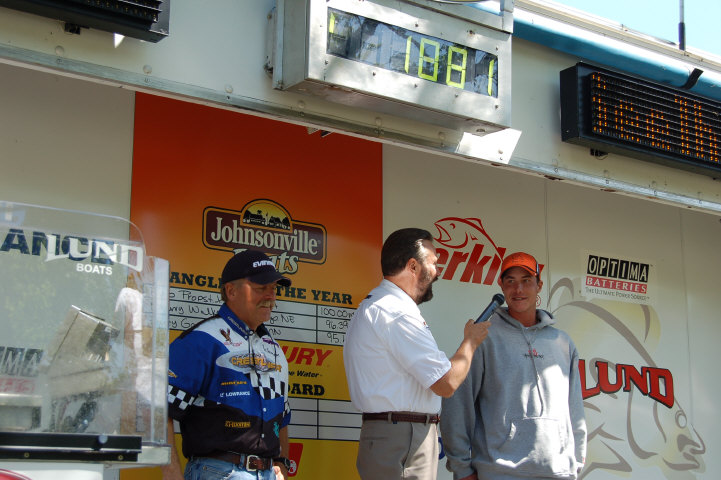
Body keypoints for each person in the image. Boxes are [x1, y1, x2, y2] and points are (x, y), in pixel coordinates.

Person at [343, 227, 491, 480]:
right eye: (433, 263)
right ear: (413, 266)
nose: (437, 271)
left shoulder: (383, 306)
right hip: (402, 437)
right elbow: (446, 383)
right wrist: (470, 342)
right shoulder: (395, 312)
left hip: (396, 434)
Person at [440, 252, 587, 480]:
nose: (518, 289)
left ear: (539, 285)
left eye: (526, 281)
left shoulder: (562, 342)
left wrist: (575, 461)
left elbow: (575, 408)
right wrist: (462, 469)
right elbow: (457, 405)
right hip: (499, 473)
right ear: (501, 285)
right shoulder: (482, 337)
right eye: (511, 281)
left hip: (559, 472)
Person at [162, 250, 294, 480]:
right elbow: (159, 410)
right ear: (231, 291)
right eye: (261, 288)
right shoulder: (201, 340)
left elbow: (282, 415)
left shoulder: (273, 349)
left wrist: (282, 462)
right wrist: (171, 473)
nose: (271, 296)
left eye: (274, 288)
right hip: (218, 471)